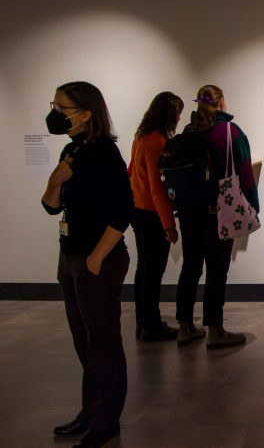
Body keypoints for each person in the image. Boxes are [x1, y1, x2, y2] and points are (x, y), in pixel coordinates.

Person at [42, 81, 133, 448]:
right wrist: (55, 180)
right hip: (72, 256)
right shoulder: (71, 150)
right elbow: (51, 206)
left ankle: (106, 420)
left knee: (103, 342)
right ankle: (91, 411)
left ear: (86, 113)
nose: (56, 114)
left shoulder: (105, 154)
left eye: (62, 108)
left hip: (99, 260)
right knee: (84, 342)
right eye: (55, 105)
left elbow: (122, 210)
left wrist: (96, 257)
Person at [175, 84, 259, 349]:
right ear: (222, 101)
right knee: (216, 270)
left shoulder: (189, 131)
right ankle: (215, 329)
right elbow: (245, 172)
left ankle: (185, 326)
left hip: (189, 210)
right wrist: (253, 206)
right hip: (218, 210)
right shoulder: (229, 131)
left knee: (190, 267)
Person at [128, 92, 183, 341]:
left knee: (144, 269)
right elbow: (157, 188)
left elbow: (131, 173)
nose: (180, 117)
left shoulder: (141, 137)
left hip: (138, 210)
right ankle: (150, 325)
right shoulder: (157, 141)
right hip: (151, 214)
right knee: (153, 272)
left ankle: (144, 321)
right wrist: (169, 225)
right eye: (178, 113)